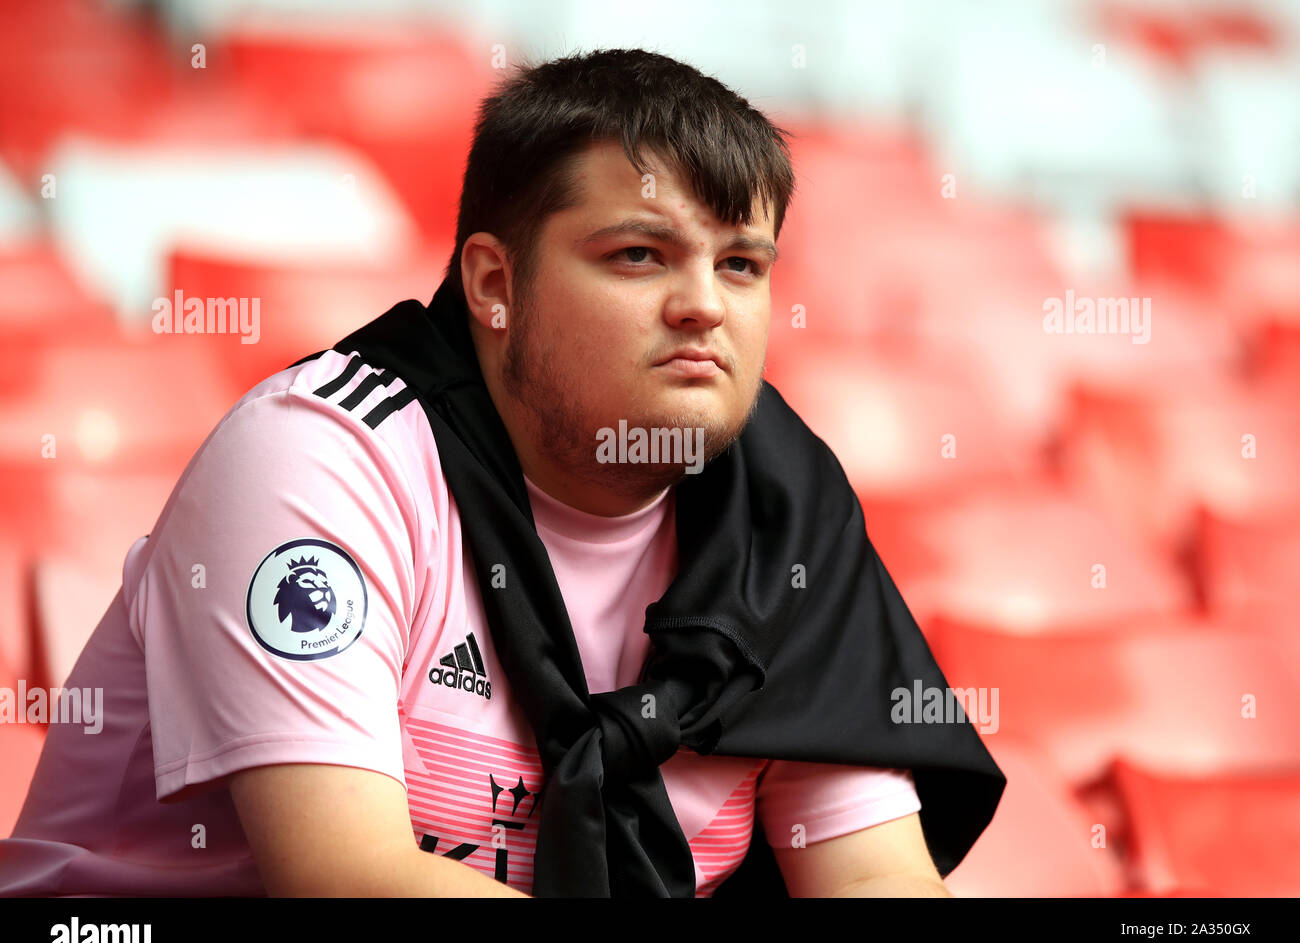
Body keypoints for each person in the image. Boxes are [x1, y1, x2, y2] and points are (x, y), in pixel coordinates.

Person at [0, 48, 954, 898]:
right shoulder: (321, 455)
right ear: (495, 284)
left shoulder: (788, 515)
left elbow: (872, 872)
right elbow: (343, 875)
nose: (704, 305)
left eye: (742, 265)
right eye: (638, 254)